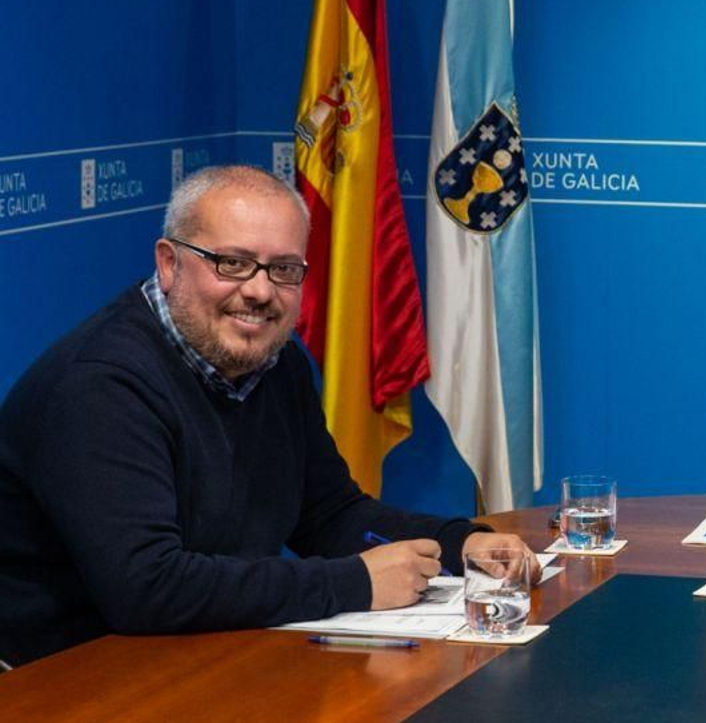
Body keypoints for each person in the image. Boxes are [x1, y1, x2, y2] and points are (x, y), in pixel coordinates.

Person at [0, 165, 534, 667]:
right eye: (231, 263)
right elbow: (145, 588)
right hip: (59, 681)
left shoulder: (274, 362)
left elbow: (328, 516)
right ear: (169, 263)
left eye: (283, 270)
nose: (259, 291)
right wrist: (354, 583)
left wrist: (461, 544)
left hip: (196, 658)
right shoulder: (99, 385)